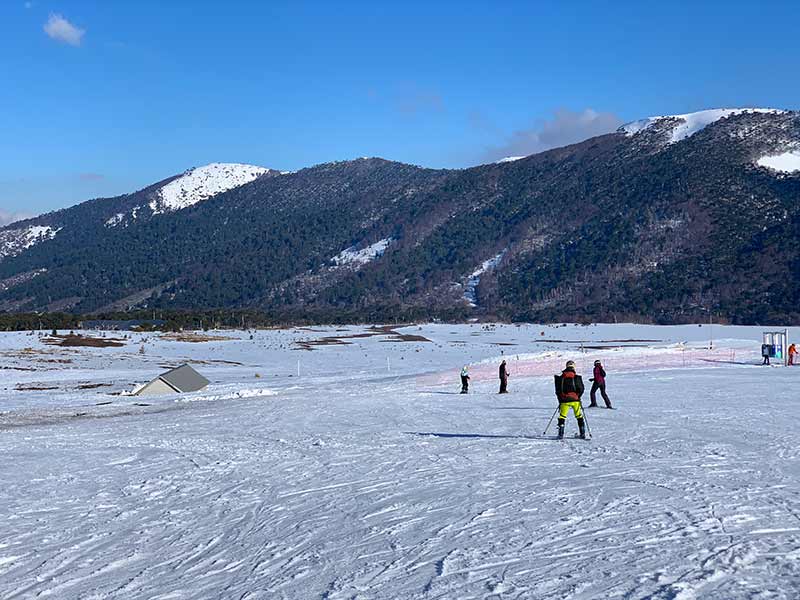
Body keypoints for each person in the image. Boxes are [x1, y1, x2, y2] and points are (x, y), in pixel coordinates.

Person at [554, 360, 586, 439]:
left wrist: (560, 400)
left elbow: (558, 391)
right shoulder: (577, 377)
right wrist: (578, 397)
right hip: (575, 400)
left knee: (562, 416)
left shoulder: (561, 378)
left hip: (564, 400)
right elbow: (581, 388)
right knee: (579, 416)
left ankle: (560, 434)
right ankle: (582, 433)